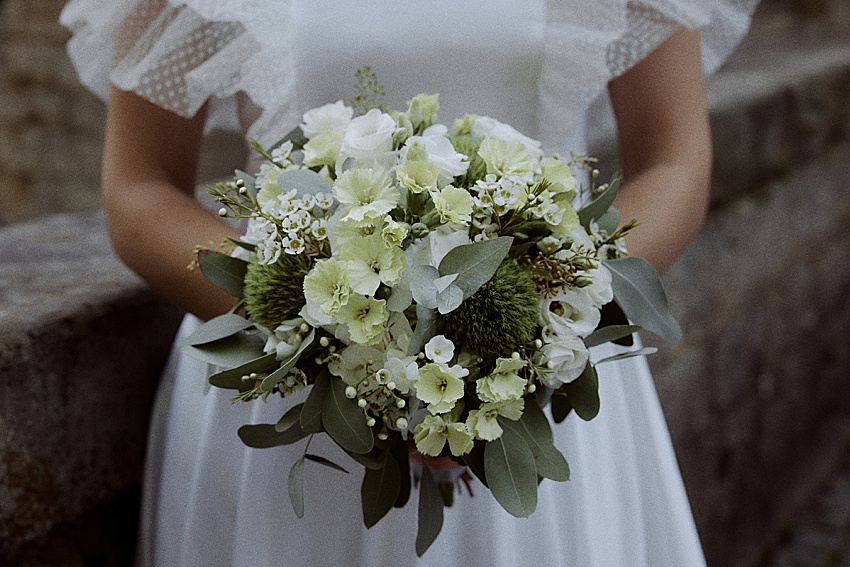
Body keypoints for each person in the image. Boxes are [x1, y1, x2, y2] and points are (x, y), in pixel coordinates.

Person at [61, 1, 759, 565]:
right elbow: (140, 189)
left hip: (533, 388)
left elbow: (674, 161)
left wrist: (543, 325)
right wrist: (334, 341)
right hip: (295, 387)